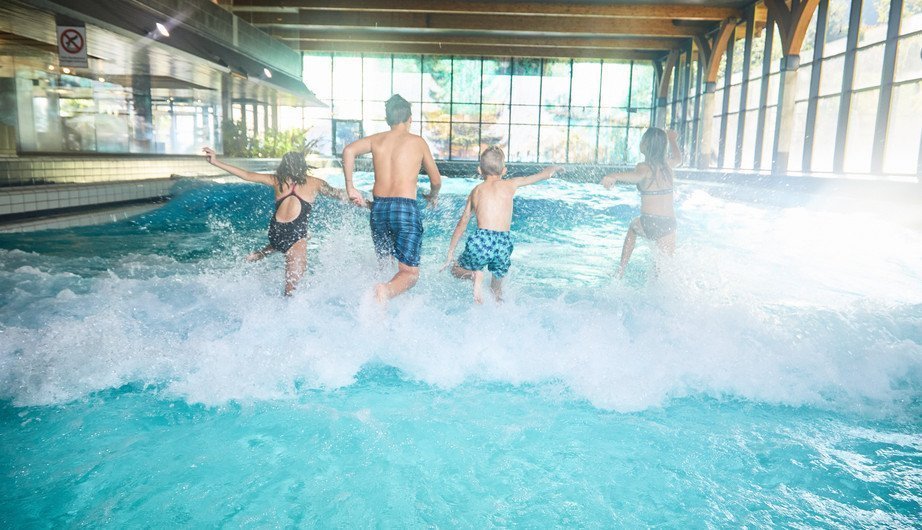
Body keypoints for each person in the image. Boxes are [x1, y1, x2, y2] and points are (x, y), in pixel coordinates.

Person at [202, 147, 357, 296]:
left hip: (275, 233)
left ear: (283, 166)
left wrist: (216, 162)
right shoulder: (315, 183)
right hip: (295, 236)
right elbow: (339, 195)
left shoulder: (276, 180)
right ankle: (264, 256)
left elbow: (247, 175)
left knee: (296, 236)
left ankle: (261, 253)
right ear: (303, 166)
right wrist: (362, 199)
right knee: (292, 292)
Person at [342, 94, 443, 304]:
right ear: (410, 119)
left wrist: (350, 186)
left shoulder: (376, 139)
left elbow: (349, 151)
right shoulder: (418, 142)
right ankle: (385, 292)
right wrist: (433, 195)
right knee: (410, 274)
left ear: (388, 120)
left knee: (385, 265)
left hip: (379, 209)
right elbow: (436, 179)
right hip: (405, 208)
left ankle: (377, 307)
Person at [442, 146, 562, 303]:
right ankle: (499, 313)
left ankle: (473, 275)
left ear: (479, 170)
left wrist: (450, 252)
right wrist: (554, 168)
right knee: (496, 290)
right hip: (503, 243)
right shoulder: (511, 184)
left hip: (482, 239)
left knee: (455, 270)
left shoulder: (476, 191)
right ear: (504, 170)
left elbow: (462, 223)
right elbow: (542, 175)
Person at [600, 128, 682, 278]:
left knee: (632, 227)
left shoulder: (643, 167)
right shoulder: (669, 166)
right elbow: (678, 158)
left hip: (650, 222)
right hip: (670, 224)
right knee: (662, 271)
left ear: (645, 145)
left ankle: (621, 270)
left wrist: (613, 175)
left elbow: (636, 177)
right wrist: (673, 140)